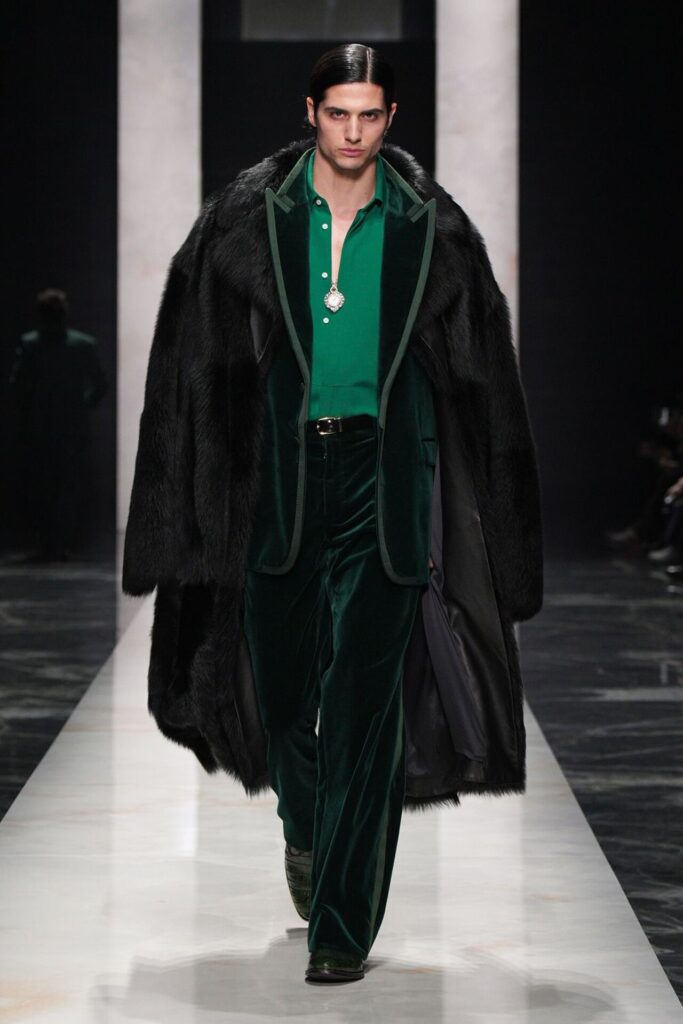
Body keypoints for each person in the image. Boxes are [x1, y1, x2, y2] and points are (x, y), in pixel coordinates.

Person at [122, 43, 544, 985]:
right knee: (279, 697)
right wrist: (171, 515)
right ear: (310, 112)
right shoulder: (243, 222)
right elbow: (182, 373)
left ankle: (341, 927)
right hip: (275, 479)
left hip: (385, 481)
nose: (353, 132)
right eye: (337, 113)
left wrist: (507, 540)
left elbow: (490, 391)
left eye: (369, 115)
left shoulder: (434, 230)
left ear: (391, 119)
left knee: (363, 705)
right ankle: (305, 824)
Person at [9, 288, 108, 559]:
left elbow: (18, 385)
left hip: (41, 425)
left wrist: (29, 411)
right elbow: (100, 384)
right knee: (67, 486)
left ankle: (48, 543)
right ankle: (60, 543)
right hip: (70, 426)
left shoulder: (30, 344)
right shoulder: (82, 344)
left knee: (44, 485)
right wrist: (82, 407)